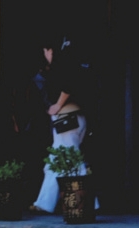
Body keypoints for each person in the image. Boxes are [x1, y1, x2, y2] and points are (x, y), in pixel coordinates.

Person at [30, 38, 90, 213]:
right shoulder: (73, 64)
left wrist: (57, 105)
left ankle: (87, 202)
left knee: (69, 160)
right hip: (72, 118)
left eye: (46, 51)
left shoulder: (63, 65)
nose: (45, 55)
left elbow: (68, 86)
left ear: (51, 51)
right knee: (59, 160)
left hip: (67, 119)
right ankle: (45, 202)